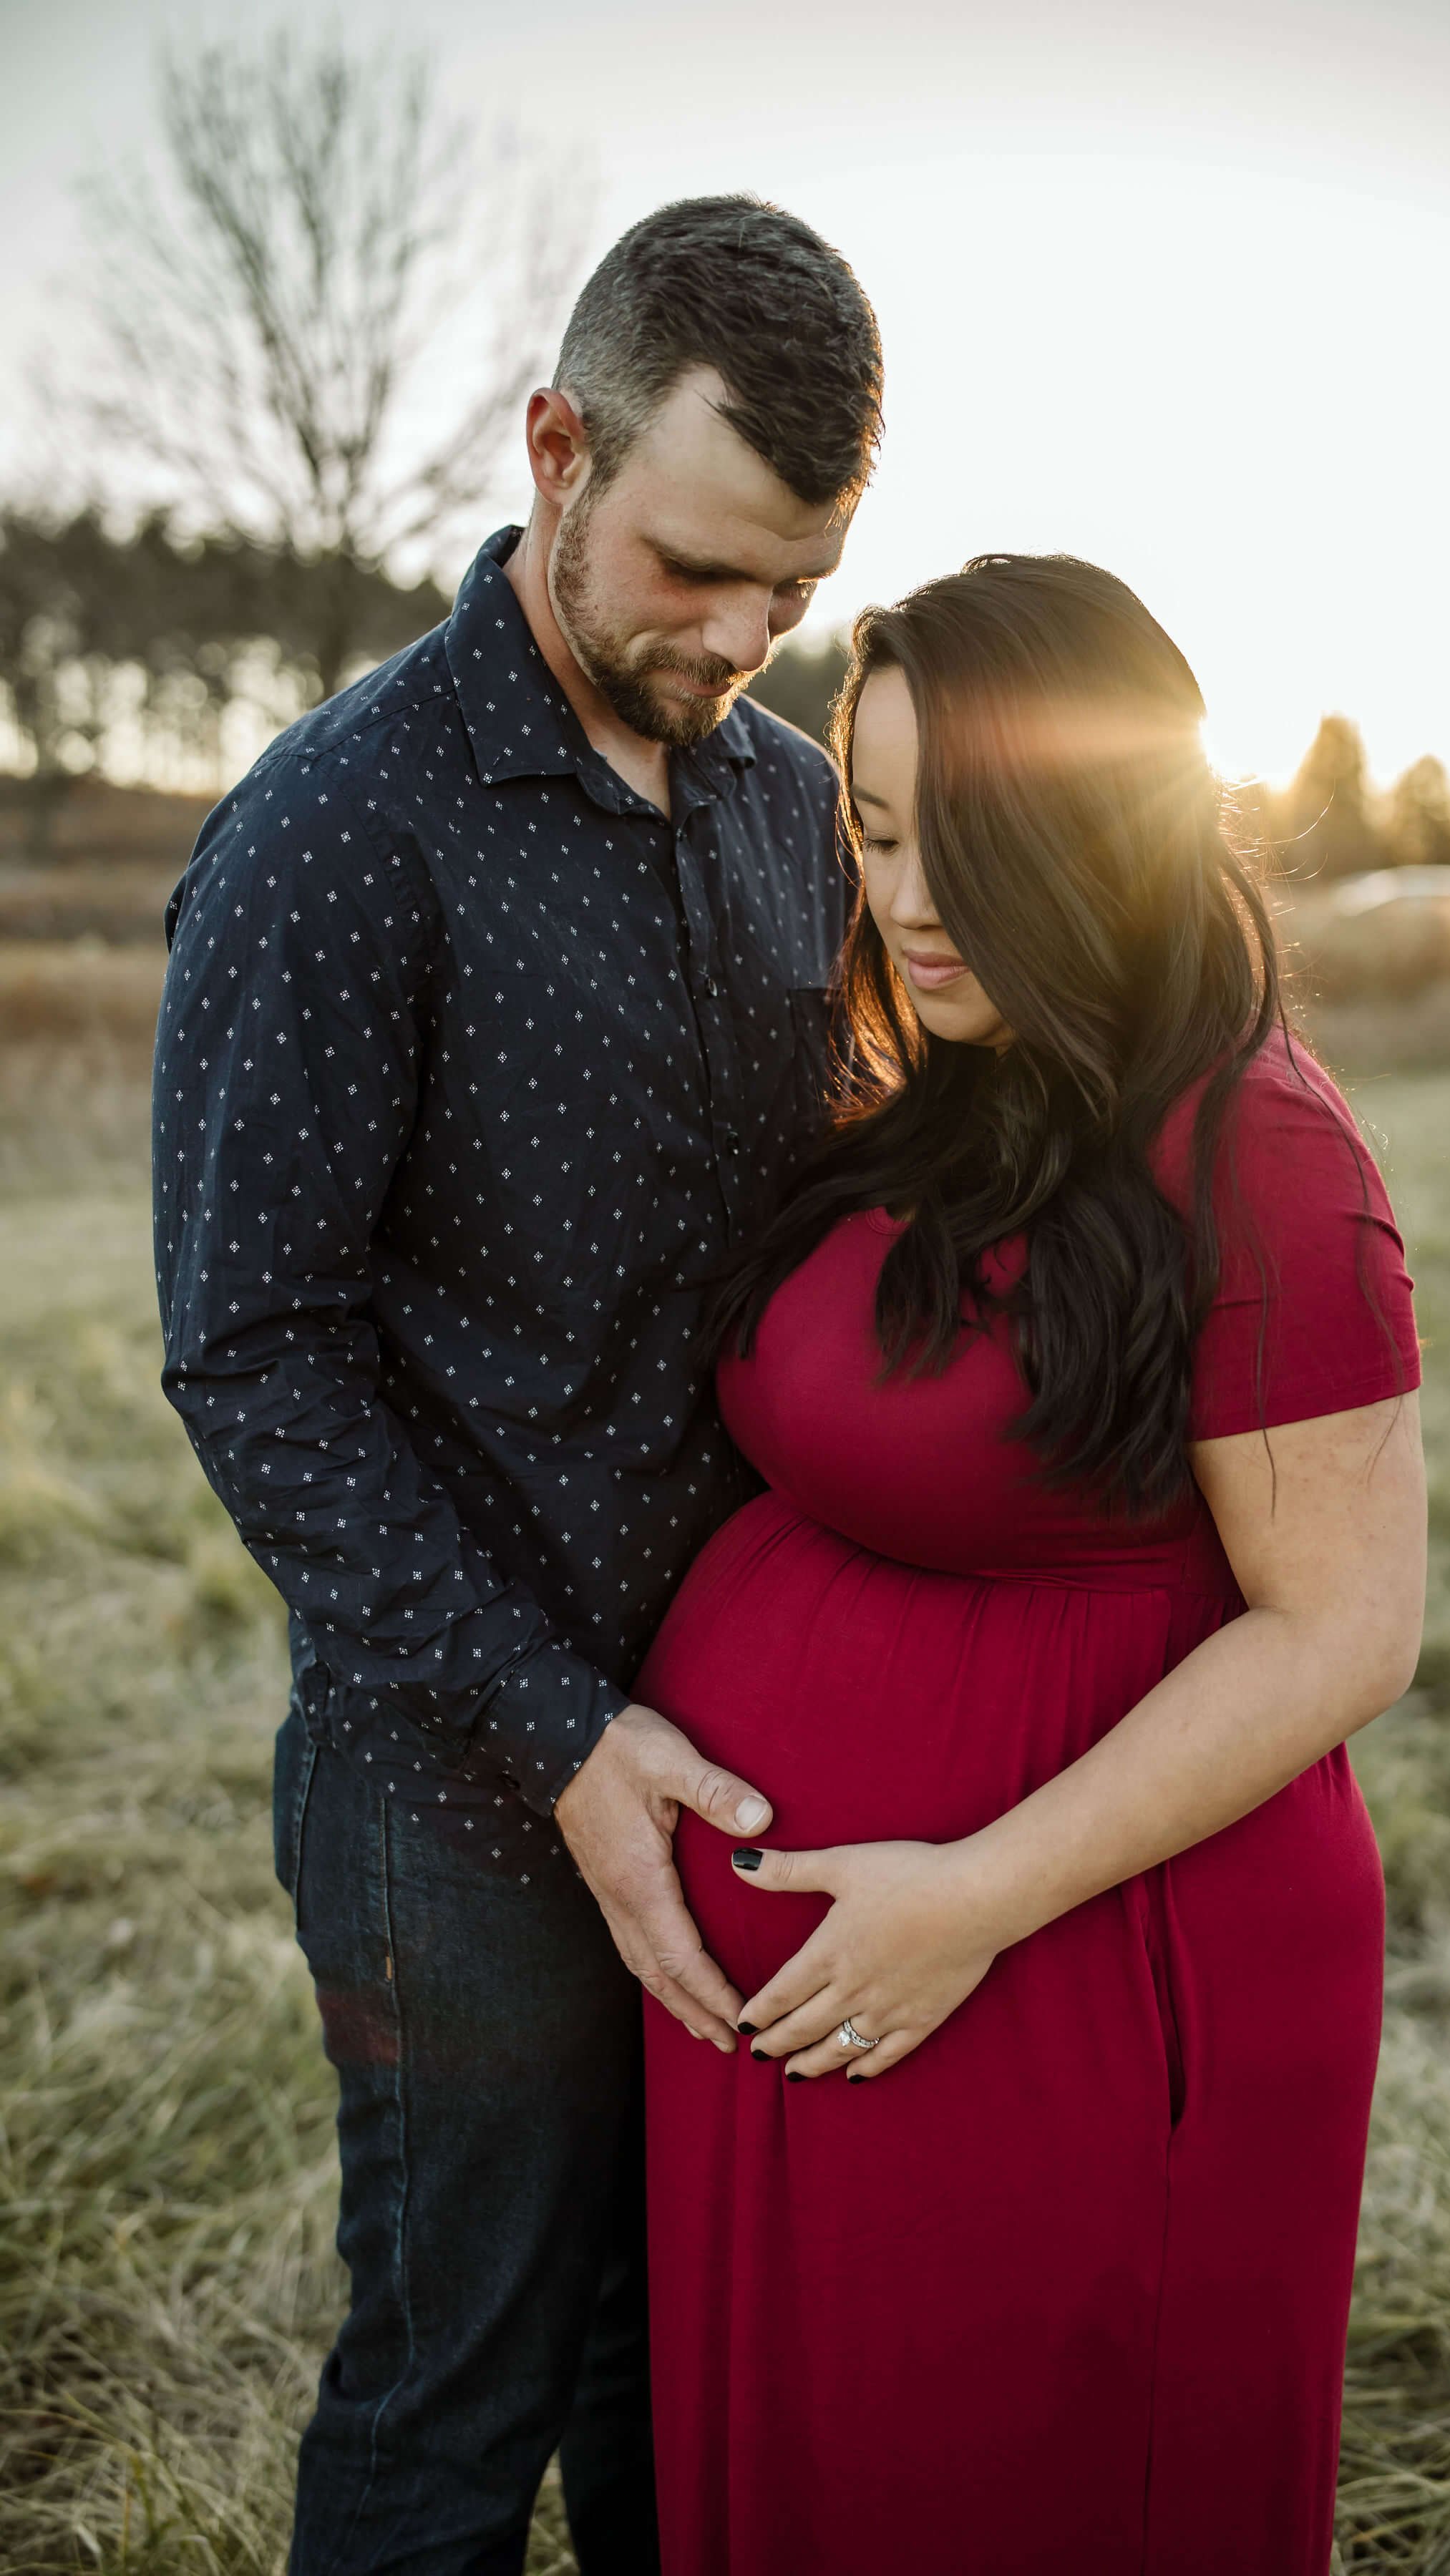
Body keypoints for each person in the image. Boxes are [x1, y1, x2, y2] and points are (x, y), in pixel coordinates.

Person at [151, 196, 882, 2575]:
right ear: (555, 447)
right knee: (454, 2396)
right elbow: (253, 1359)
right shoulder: (332, 835)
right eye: (694, 566)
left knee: (679, 2375)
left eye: (795, 582)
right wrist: (559, 1738)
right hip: (454, 1789)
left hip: (760, 1746)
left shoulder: (792, 806)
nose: (743, 639)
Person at [638, 554, 1429, 2576]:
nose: (904, 900)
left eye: (960, 842)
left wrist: (970, 1896)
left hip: (1074, 1970)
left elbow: (1344, 1628)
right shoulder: (951, 1097)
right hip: (853, 1998)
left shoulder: (1262, 1148)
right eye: (876, 833)